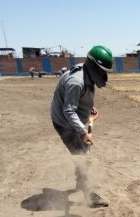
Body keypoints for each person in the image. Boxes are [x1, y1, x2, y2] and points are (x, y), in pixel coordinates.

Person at [50, 45, 114, 207]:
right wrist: (84, 131)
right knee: (82, 157)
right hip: (65, 123)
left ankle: (80, 183)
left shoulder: (86, 74)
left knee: (83, 152)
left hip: (74, 119)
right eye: (101, 71)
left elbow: (79, 98)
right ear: (93, 67)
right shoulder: (76, 82)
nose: (103, 75)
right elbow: (69, 111)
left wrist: (87, 107)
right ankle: (88, 197)